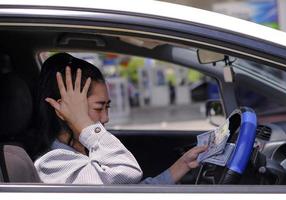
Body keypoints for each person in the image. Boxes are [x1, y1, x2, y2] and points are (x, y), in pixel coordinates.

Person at [34, 53, 207, 184]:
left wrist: (182, 165)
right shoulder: (53, 163)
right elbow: (127, 173)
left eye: (107, 107)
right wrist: (87, 127)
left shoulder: (81, 150)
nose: (106, 117)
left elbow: (126, 191)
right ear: (64, 110)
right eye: (98, 107)